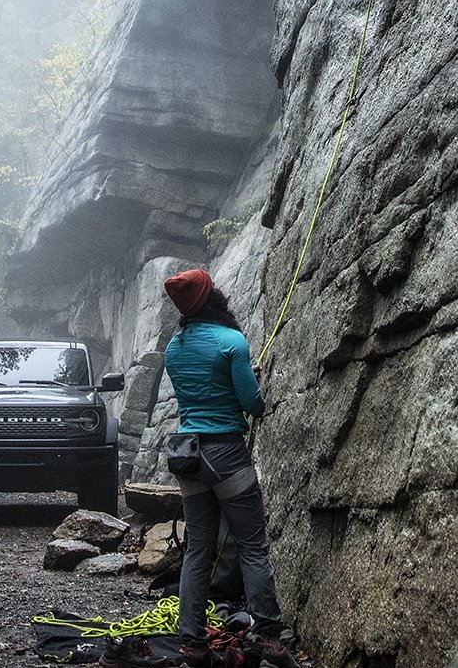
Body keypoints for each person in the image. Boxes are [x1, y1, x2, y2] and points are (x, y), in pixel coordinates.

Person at [159, 269, 295, 668]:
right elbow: (253, 405)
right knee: (252, 545)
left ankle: (193, 643)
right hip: (226, 454)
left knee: (198, 550)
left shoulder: (173, 348)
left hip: (189, 456)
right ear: (209, 297)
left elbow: (199, 394)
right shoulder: (232, 342)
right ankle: (269, 638)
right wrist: (249, 383)